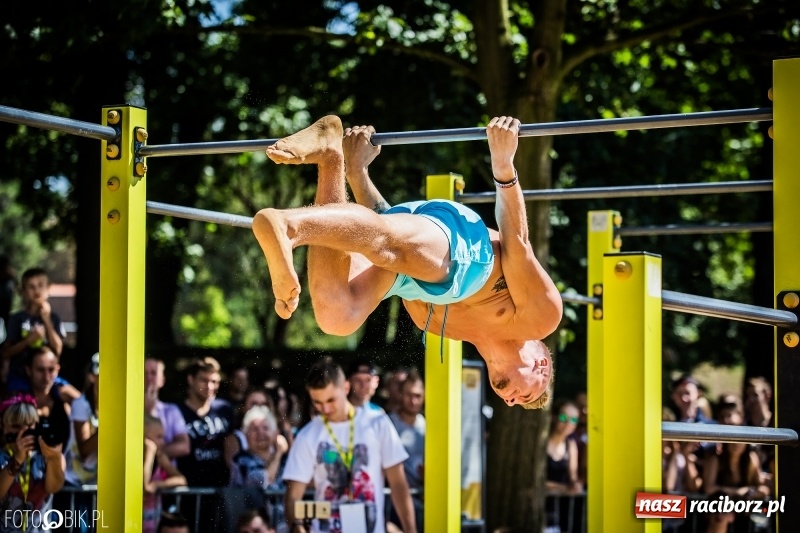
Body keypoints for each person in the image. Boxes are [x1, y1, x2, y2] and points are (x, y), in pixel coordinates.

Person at [253, 116, 563, 409]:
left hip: (411, 266)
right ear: (541, 365)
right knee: (392, 250)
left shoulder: (449, 331)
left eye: (514, 404)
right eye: (525, 396)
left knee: (337, 317)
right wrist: (503, 165)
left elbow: (392, 233)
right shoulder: (541, 319)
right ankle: (289, 227)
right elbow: (518, 244)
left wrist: (357, 174)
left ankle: (330, 156)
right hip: (468, 250)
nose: (510, 402)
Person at [282, 357, 416, 533]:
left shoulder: (378, 423)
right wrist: (298, 528)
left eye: (331, 400)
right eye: (317, 402)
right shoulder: (308, 435)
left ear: (345, 387)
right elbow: (292, 497)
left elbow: (398, 484)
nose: (325, 409)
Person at [0, 394, 66, 533]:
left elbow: (53, 488)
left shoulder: (47, 454)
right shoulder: (2, 456)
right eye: (16, 426)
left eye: (29, 425)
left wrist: (54, 459)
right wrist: (17, 459)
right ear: (3, 427)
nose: (22, 432)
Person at [2, 268, 68, 394]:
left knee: (71, 396)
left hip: (48, 377)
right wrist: (28, 341)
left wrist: (47, 321)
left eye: (40, 286)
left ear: (48, 288)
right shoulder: (17, 319)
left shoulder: (54, 318)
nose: (36, 290)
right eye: (31, 287)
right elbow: (6, 352)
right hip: (20, 375)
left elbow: (58, 349)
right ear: (24, 292)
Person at [387, 372, 425, 533]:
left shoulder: (427, 426)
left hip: (421, 498)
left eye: (417, 395)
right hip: (392, 501)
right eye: (409, 395)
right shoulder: (388, 424)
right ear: (401, 395)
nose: (413, 400)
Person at [144, 416, 188, 533]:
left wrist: (158, 484)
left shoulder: (161, 458)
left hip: (153, 522)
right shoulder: (136, 459)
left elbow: (181, 480)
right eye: (159, 437)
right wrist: (149, 452)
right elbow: (145, 486)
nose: (163, 442)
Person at [145, 357, 191, 461]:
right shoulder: (128, 411)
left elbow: (184, 446)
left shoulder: (171, 411)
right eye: (144, 372)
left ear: (162, 380)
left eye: (153, 373)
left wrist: (152, 452)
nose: (148, 377)